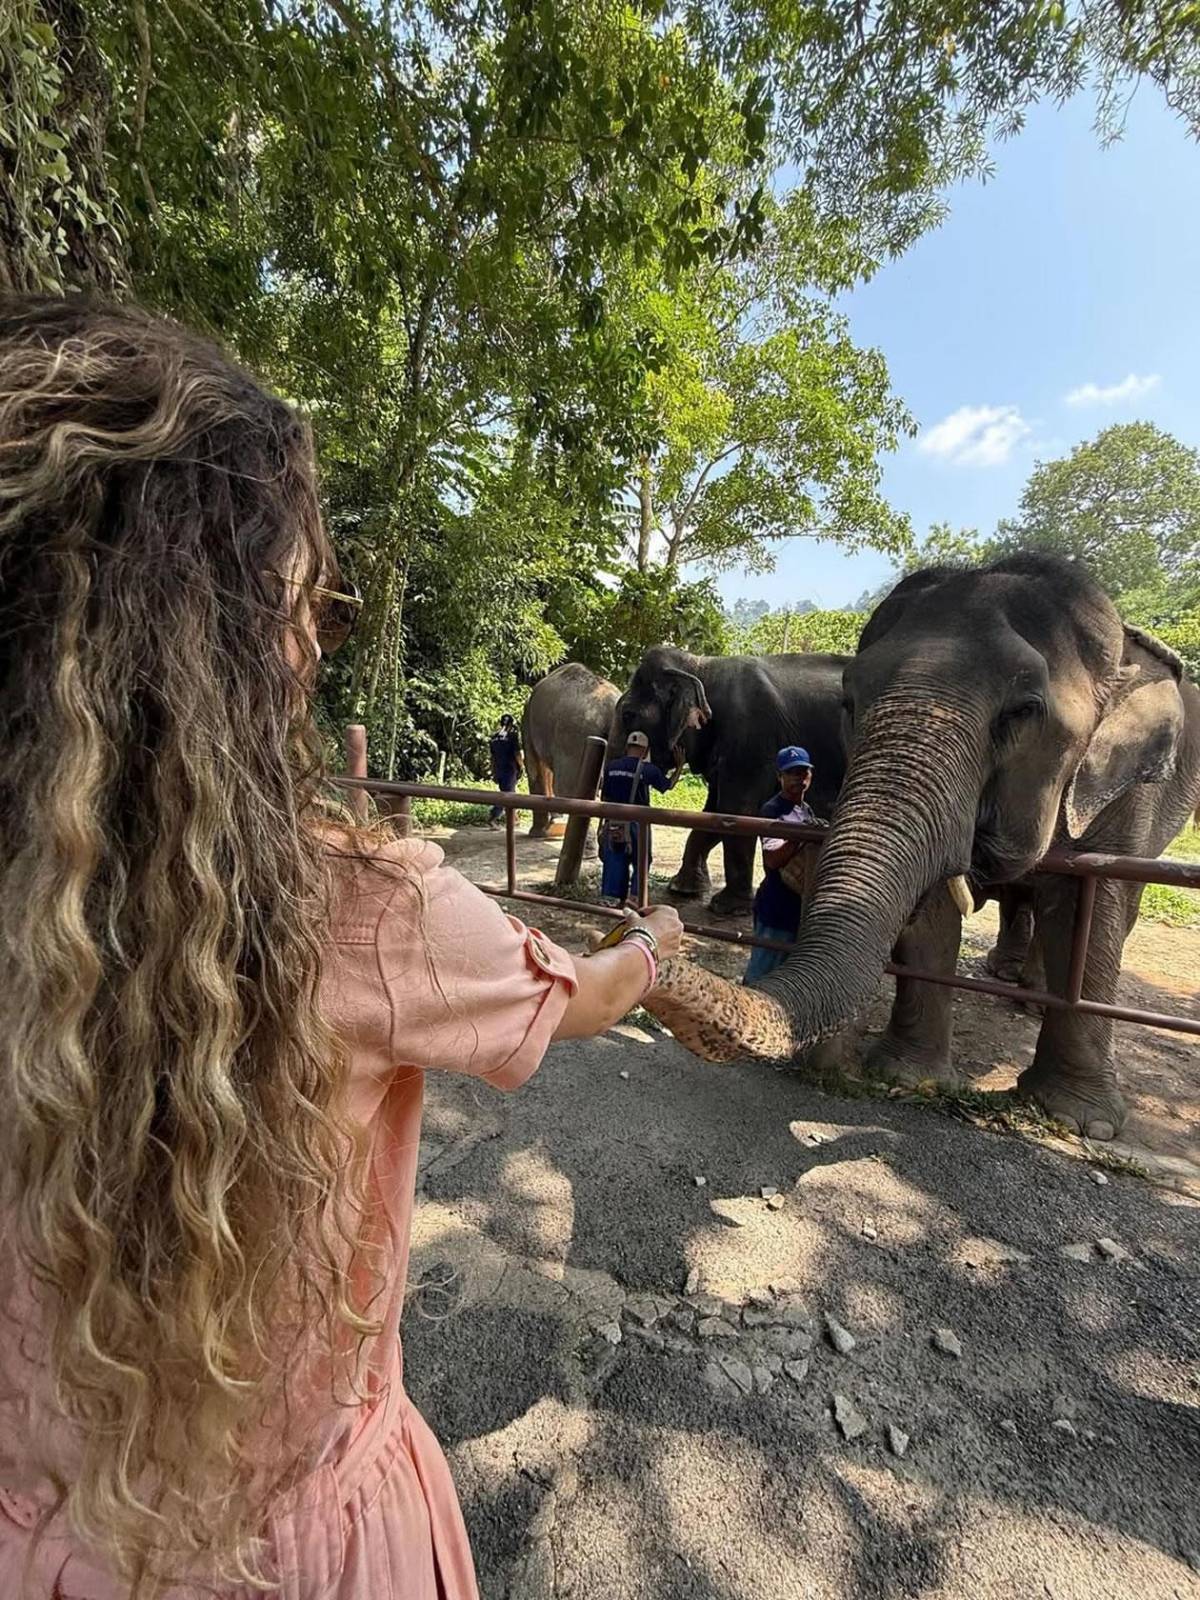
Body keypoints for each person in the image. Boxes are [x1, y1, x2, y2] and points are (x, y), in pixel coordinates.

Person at [0, 296, 685, 1600]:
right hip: (297, 1549)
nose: (320, 643)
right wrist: (652, 942)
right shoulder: (370, 905)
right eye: (316, 604)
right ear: (245, 641)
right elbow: (586, 999)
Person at [743, 745, 826, 985]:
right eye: (792, 773)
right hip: (776, 904)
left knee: (787, 972)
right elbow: (772, 859)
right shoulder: (773, 811)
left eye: (803, 772)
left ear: (810, 775)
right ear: (780, 776)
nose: (798, 778)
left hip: (796, 904)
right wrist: (801, 836)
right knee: (763, 971)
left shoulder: (805, 810)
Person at [598, 730, 677, 906]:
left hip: (614, 821)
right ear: (645, 750)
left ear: (627, 747)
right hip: (637, 824)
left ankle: (613, 897)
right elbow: (668, 786)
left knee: (615, 858)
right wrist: (679, 767)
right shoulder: (648, 770)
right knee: (642, 859)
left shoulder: (611, 767)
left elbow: (605, 795)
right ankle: (635, 896)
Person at [487, 712, 522, 826]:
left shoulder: (494, 737)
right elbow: (517, 754)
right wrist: (522, 766)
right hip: (510, 769)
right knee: (507, 796)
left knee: (507, 793)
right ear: (511, 725)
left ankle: (514, 818)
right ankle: (493, 816)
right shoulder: (512, 736)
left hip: (499, 770)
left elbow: (492, 757)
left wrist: (493, 772)